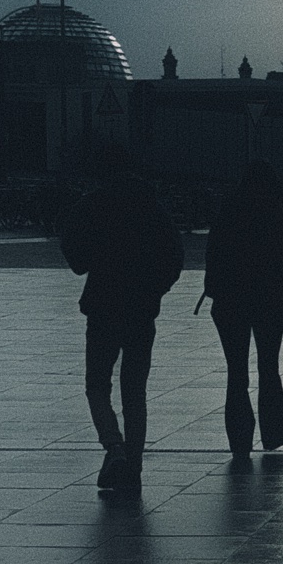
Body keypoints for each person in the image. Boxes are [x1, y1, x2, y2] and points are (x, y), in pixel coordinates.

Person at [60, 160, 184, 499]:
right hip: (142, 310)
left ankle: (113, 446)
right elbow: (175, 256)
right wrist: (156, 289)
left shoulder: (93, 206)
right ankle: (135, 464)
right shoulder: (152, 208)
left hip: (102, 306)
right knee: (135, 391)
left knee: (97, 384)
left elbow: (75, 257)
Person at [202, 160, 283, 457]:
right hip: (268, 298)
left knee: (236, 371)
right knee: (269, 367)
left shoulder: (229, 209)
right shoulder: (278, 211)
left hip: (231, 300)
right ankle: (273, 434)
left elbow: (213, 254)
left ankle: (240, 442)